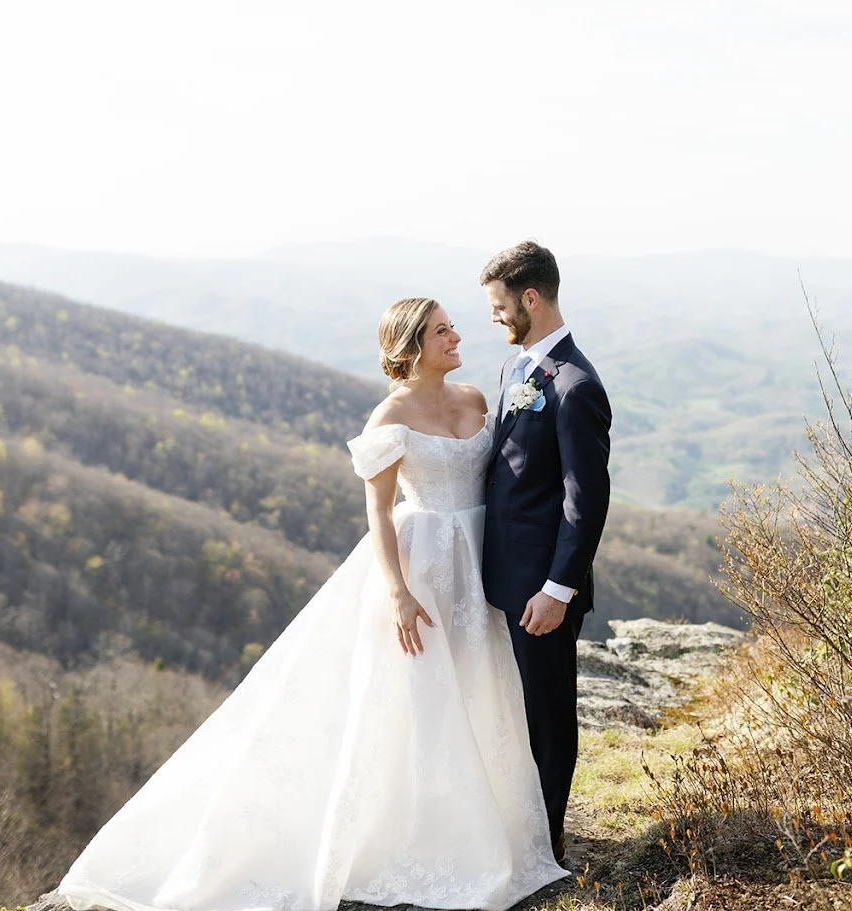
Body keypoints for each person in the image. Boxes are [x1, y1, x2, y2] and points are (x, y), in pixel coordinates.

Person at [57, 297, 566, 911]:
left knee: (479, 687)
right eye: (441, 331)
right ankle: (427, 831)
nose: (457, 336)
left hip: (480, 560)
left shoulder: (476, 400)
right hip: (423, 562)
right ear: (410, 347)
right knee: (424, 701)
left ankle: (486, 818)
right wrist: (398, 592)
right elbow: (378, 510)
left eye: (454, 326)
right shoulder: (390, 416)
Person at [479, 242, 612, 864]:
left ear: (531, 299)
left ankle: (548, 838)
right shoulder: (517, 370)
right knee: (508, 710)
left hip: (542, 590)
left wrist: (558, 590)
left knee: (547, 714)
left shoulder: (576, 386)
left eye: (501, 306)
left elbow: (584, 503)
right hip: (502, 578)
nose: (495, 318)